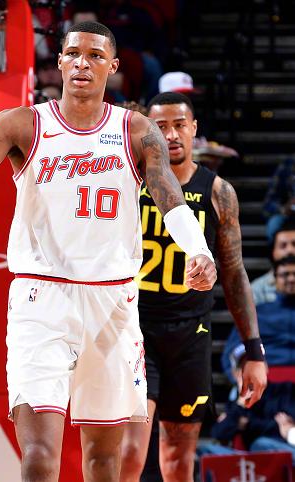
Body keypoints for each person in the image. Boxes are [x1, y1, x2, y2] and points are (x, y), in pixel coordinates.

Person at [0, 21, 218, 482]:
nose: (82, 63)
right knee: (39, 455)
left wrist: (198, 249)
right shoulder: (23, 124)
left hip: (112, 301)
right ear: (61, 61)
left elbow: (169, 197)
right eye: (73, 53)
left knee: (104, 461)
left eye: (94, 55)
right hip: (41, 298)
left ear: (112, 65)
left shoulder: (136, 130)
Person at [119, 92, 267, 482]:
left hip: (190, 335)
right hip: (135, 331)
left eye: (179, 125)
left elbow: (234, 273)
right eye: (160, 127)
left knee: (178, 457)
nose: (170, 135)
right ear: (147, 131)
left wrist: (254, 350)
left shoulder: (218, 192)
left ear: (194, 129)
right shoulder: (129, 182)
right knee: (130, 452)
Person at [223, 255, 295, 379]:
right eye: (285, 274)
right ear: (274, 279)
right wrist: (243, 362)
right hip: (264, 380)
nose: (291, 279)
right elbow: (233, 350)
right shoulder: (256, 313)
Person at [251, 217, 295, 305]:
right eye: (283, 246)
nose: (290, 251)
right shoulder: (257, 289)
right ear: (273, 252)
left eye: (294, 244)